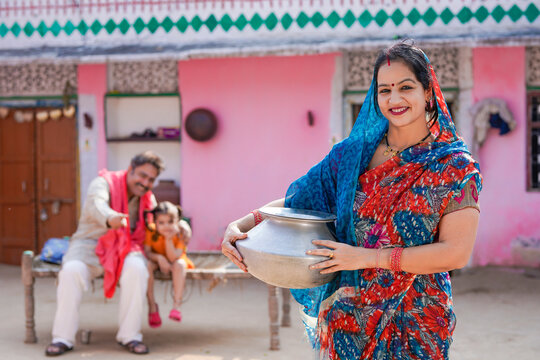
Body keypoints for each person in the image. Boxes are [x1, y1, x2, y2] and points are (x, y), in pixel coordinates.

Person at [222, 41, 482, 359]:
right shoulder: (351, 154)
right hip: (348, 319)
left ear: (428, 92)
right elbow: (298, 203)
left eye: (406, 87)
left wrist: (362, 258)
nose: (394, 99)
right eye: (384, 90)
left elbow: (455, 253)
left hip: (415, 320)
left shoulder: (453, 165)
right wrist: (239, 225)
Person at [45, 151, 192, 356]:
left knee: (138, 269)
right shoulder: (103, 182)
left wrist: (183, 227)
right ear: (130, 169)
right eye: (142, 175)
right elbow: (97, 204)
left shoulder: (147, 197)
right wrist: (111, 217)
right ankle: (62, 338)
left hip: (128, 247)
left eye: (151, 179)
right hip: (90, 244)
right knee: (71, 271)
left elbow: (160, 220)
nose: (145, 183)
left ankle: (130, 336)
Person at [144, 201, 194, 328]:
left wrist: (168, 239)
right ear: (155, 222)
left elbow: (173, 258)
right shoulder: (151, 230)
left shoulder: (180, 234)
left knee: (180, 265)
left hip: (175, 260)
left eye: (170, 222)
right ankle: (152, 306)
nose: (166, 226)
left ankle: (176, 306)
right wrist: (159, 258)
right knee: (147, 265)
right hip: (157, 259)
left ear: (177, 221)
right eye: (161, 223)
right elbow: (148, 252)